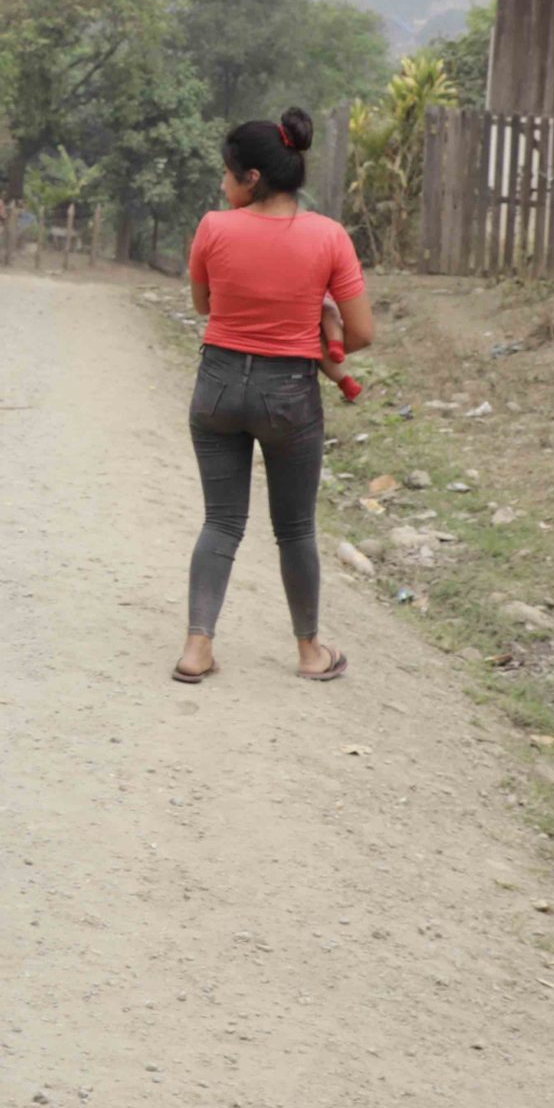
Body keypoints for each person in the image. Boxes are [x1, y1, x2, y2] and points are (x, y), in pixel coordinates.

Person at [173, 107, 373, 686]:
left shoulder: (213, 227)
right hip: (289, 395)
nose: (222, 183)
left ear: (251, 178)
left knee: (221, 522)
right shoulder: (329, 237)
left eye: (227, 172)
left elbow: (205, 308)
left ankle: (196, 647)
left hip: (216, 387)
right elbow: (361, 334)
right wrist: (324, 329)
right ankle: (311, 652)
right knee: (295, 529)